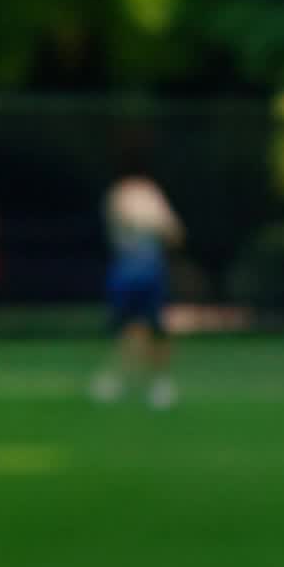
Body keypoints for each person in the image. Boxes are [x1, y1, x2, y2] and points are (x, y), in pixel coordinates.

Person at [90, 142, 185, 409]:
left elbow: (172, 232)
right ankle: (132, 379)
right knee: (132, 327)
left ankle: (150, 381)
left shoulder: (142, 193)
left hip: (144, 268)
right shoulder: (123, 194)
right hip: (131, 268)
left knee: (150, 327)